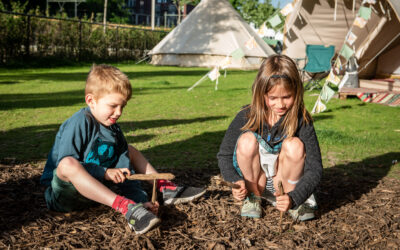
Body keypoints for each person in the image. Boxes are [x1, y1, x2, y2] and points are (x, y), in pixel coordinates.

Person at [40, 64, 205, 234]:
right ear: (91, 100)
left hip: (96, 195)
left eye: (122, 106)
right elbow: (64, 166)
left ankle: (164, 187)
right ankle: (124, 206)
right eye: (113, 106)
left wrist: (141, 202)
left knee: (129, 150)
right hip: (64, 197)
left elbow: (127, 172)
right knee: (68, 163)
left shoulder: (114, 130)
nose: (118, 112)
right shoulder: (79, 123)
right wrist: (105, 172)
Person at [217, 55, 322, 220]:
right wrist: (235, 181)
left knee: (294, 145)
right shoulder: (247, 115)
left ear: (297, 91)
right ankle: (253, 198)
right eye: (272, 98)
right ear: (261, 93)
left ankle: (290, 202)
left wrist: (295, 197)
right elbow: (224, 155)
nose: (280, 105)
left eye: (287, 97)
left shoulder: (302, 119)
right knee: (246, 141)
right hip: (256, 182)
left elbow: (315, 168)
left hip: (286, 185)